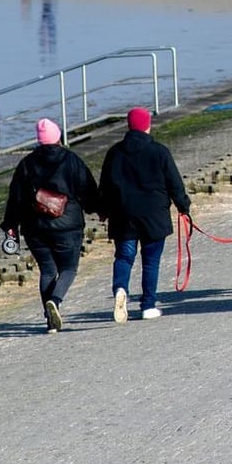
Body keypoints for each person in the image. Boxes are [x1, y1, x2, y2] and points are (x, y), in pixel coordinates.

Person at [1, 118, 100, 334]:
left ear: (39, 140)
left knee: (47, 270)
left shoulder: (27, 164)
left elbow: (15, 198)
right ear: (58, 137)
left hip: (34, 227)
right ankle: (55, 300)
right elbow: (88, 190)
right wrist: (98, 210)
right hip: (68, 226)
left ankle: (50, 321)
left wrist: (10, 226)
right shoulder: (72, 161)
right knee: (68, 269)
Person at [98, 106, 192, 322]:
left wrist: (102, 210)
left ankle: (120, 288)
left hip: (123, 215)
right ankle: (148, 305)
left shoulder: (115, 152)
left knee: (124, 256)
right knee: (150, 261)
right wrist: (183, 206)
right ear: (147, 125)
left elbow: (105, 186)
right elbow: (174, 183)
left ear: (129, 126)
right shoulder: (159, 151)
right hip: (153, 215)